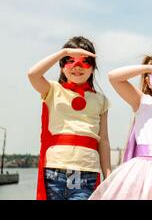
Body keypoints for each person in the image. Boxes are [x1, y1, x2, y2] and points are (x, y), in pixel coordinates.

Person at [89, 55, 152, 200]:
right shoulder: (142, 101)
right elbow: (113, 77)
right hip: (142, 172)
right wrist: (149, 68)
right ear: (148, 82)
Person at [28, 36, 111, 200]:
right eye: (70, 61)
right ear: (61, 67)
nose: (77, 67)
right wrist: (64, 52)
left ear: (93, 68)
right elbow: (32, 74)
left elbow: (104, 141)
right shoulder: (52, 90)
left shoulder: (101, 100)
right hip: (54, 169)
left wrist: (108, 174)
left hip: (87, 172)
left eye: (85, 61)